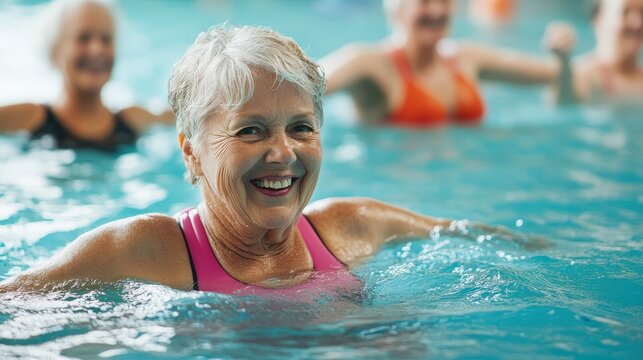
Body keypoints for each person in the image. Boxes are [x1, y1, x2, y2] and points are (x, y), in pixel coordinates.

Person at [0, 25, 538, 296]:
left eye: (301, 127)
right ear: (192, 153)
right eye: (251, 130)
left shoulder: (355, 228)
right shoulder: (141, 252)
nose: (282, 152)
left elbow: (503, 246)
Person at [321, 0, 576, 126]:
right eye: (424, 2)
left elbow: (555, 74)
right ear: (396, 8)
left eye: (443, 0)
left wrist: (562, 52)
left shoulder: (466, 58)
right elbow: (304, 81)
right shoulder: (369, 63)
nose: (436, 11)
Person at [0, 0, 173, 152]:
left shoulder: (134, 121)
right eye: (83, 38)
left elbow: (185, 117)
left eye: (106, 39)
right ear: (55, 51)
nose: (97, 49)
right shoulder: (28, 119)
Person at [562, 0, 643, 103]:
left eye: (642, 13)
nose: (638, 23)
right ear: (598, 20)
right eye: (624, 12)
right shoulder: (580, 75)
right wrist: (563, 65)